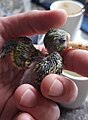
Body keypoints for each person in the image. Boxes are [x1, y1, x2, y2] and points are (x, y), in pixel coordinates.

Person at [0, 9, 88, 120]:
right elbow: (40, 74)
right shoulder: (56, 59)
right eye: (62, 41)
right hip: (24, 90)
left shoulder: (38, 54)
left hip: (22, 90)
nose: (67, 43)